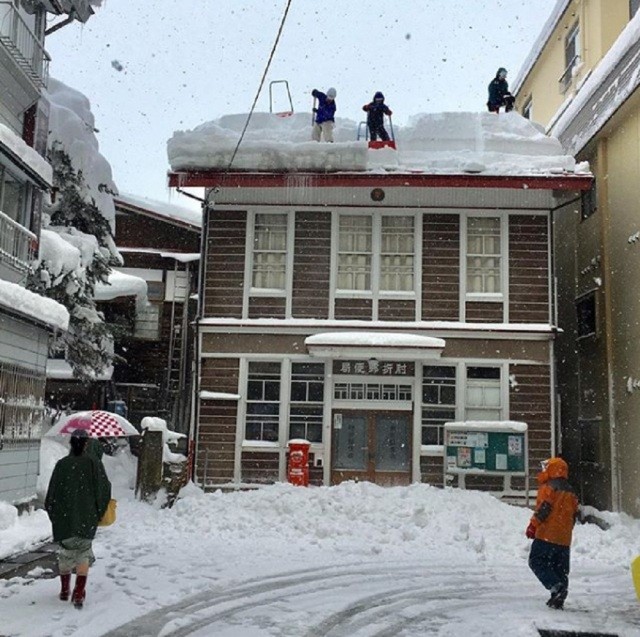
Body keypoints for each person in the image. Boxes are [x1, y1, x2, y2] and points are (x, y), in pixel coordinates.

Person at [45, 429, 112, 609]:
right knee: (83, 553)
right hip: (86, 517)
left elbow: (51, 494)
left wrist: (55, 514)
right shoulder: (94, 464)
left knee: (65, 554)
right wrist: (97, 512)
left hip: (64, 519)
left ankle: (65, 589)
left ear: (71, 443)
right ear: (85, 444)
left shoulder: (62, 464)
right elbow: (104, 490)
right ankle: (78, 592)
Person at [525, 457, 580, 609]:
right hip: (564, 538)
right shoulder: (572, 491)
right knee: (559, 568)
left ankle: (556, 588)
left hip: (546, 534)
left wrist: (533, 525)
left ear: (553, 469)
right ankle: (559, 595)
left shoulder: (548, 487)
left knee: (536, 561)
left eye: (546, 467)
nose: (543, 470)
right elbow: (574, 515)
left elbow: (544, 509)